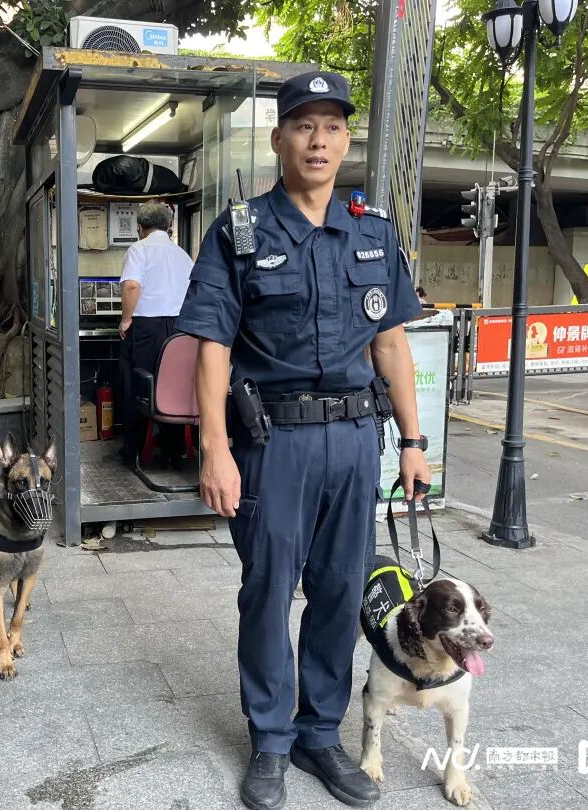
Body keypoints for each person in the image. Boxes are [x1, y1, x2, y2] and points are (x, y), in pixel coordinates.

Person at [175, 72, 431, 809]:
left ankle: (320, 735)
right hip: (272, 445)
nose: (318, 139)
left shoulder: (373, 229)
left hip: (355, 440)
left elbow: (390, 345)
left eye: (332, 126)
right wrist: (214, 449)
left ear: (345, 139)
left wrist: (413, 441)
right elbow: (212, 348)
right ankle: (270, 741)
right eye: (303, 125)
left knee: (341, 591)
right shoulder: (240, 231)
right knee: (265, 594)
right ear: (280, 137)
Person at [118, 202, 195, 467]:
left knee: (137, 386)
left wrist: (126, 319)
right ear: (169, 226)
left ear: (140, 227)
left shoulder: (139, 249)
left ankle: (133, 452)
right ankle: (173, 452)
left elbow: (131, 285)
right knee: (173, 384)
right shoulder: (182, 254)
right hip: (180, 329)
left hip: (147, 327)